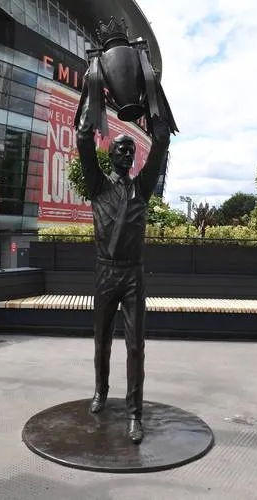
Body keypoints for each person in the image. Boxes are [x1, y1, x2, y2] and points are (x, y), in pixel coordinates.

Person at [75, 91, 171, 444]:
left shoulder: (142, 188)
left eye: (132, 150)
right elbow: (84, 138)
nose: (128, 153)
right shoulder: (97, 186)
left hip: (133, 275)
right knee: (101, 341)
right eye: (121, 149)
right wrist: (91, 89)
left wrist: (152, 100)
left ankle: (135, 413)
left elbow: (160, 144)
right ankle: (100, 391)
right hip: (104, 273)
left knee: (135, 346)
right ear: (110, 154)